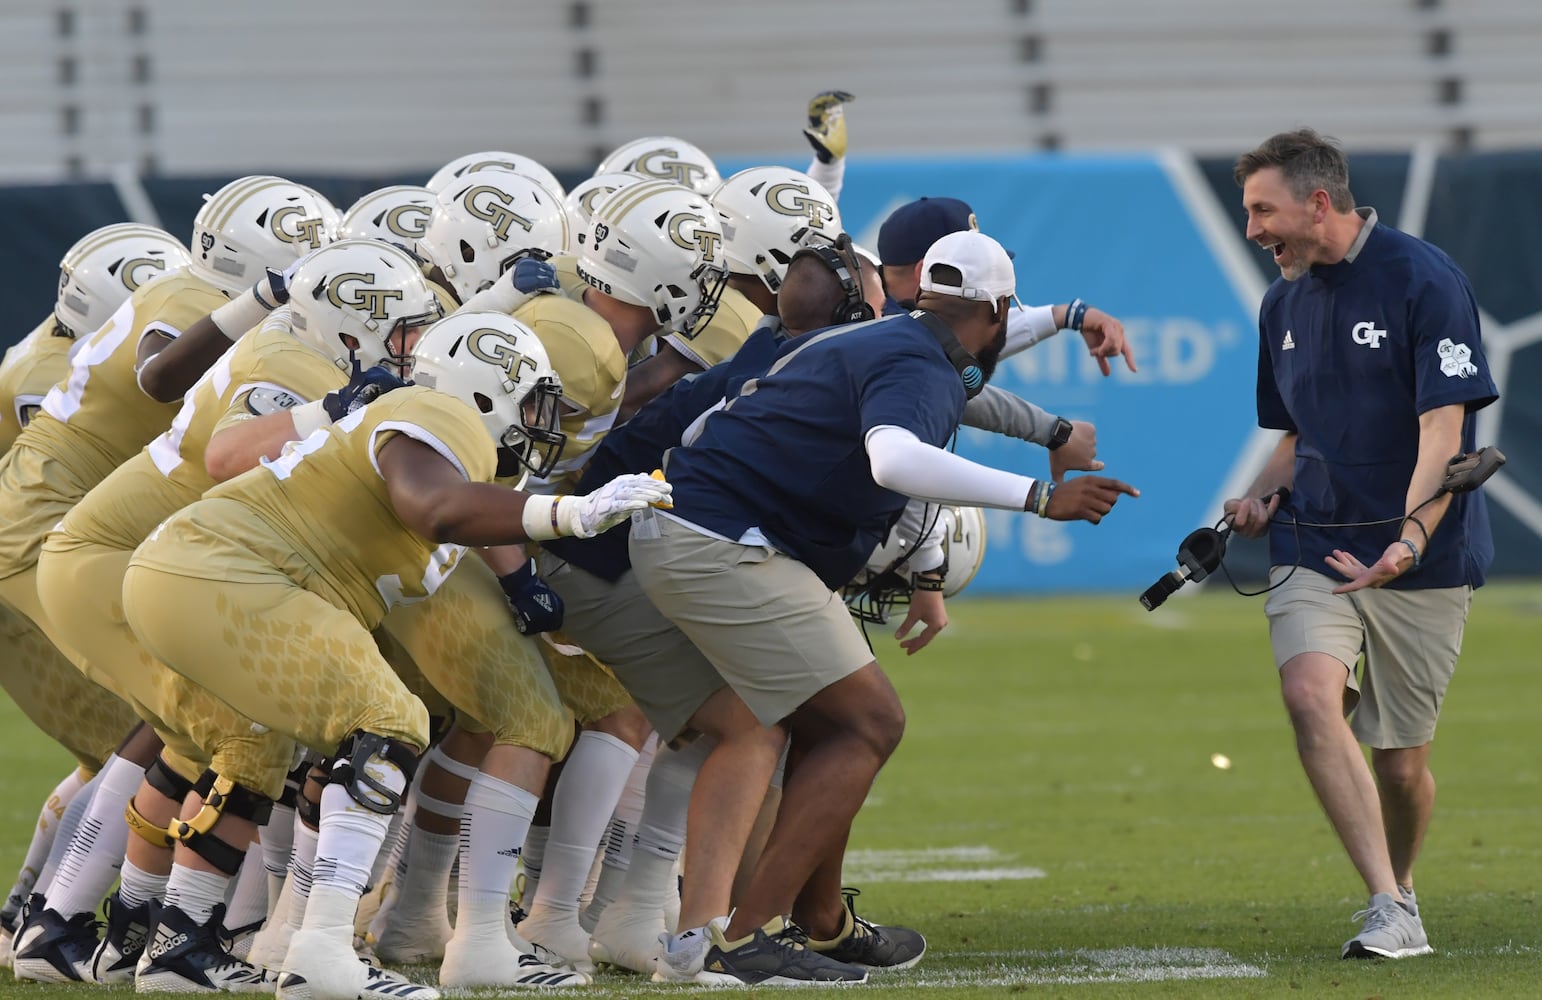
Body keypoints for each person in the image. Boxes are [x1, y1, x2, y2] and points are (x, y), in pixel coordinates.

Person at [629, 230, 1137, 984]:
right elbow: (894, 457)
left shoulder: (891, 336)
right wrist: (1037, 497)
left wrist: (1056, 408)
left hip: (685, 527)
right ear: (996, 309)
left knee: (810, 724)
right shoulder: (919, 364)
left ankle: (788, 923)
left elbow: (966, 382)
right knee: (871, 721)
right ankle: (744, 937)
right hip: (724, 541)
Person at [1224, 127, 1498, 960]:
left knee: (1400, 765)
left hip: (1422, 559)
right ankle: (1388, 905)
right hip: (1312, 543)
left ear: (1319, 202)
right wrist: (1261, 497)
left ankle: (1402, 888)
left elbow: (1442, 430)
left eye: (1263, 211)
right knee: (1311, 695)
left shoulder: (1423, 279)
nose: (1253, 231)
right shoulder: (1283, 302)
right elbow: (1294, 436)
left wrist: (1410, 537)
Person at [877, 195, 1138, 376]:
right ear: (926, 272)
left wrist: (1067, 315)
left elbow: (969, 336)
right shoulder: (889, 341)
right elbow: (959, 360)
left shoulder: (885, 315)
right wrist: (1050, 431)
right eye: (974, 258)